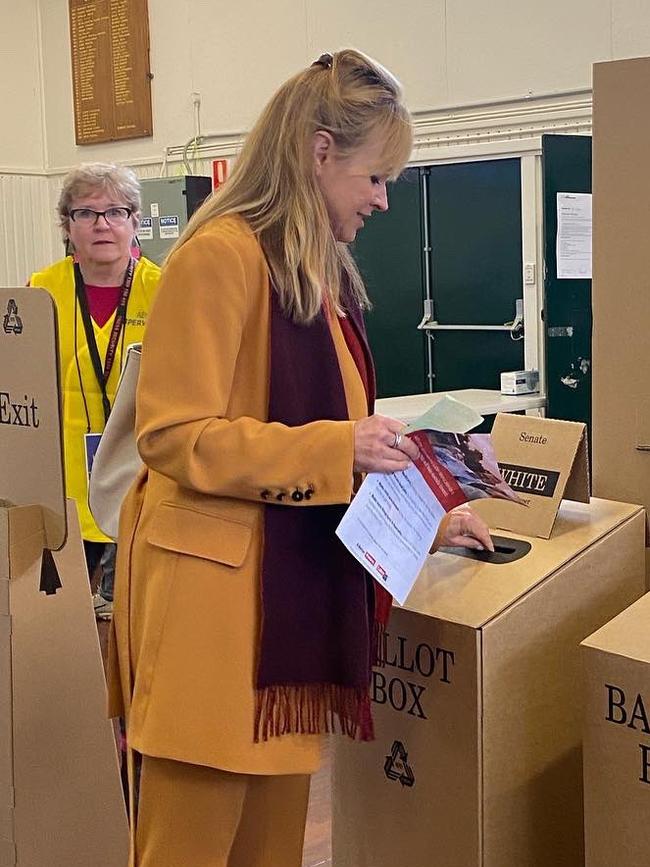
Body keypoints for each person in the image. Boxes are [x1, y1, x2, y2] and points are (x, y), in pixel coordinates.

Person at [108, 49, 492, 867]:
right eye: (376, 177)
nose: (384, 200)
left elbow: (349, 452)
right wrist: (337, 447)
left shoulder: (319, 280)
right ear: (320, 151)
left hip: (288, 628)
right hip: (216, 629)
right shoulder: (216, 257)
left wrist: (435, 510)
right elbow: (173, 436)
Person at [29, 163, 160, 618]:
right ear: (67, 226)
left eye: (115, 212)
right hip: (64, 474)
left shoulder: (164, 290)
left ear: (135, 222)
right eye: (86, 213)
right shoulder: (40, 290)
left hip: (140, 468)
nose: (102, 224)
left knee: (135, 610)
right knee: (62, 613)